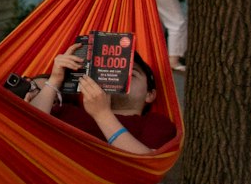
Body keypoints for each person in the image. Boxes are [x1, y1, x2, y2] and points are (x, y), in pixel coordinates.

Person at [25, 43, 176, 153]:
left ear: (150, 95)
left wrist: (102, 114)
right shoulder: (67, 111)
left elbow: (145, 164)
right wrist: (55, 79)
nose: (119, 78)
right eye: (113, 71)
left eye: (132, 74)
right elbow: (27, 129)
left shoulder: (155, 123)